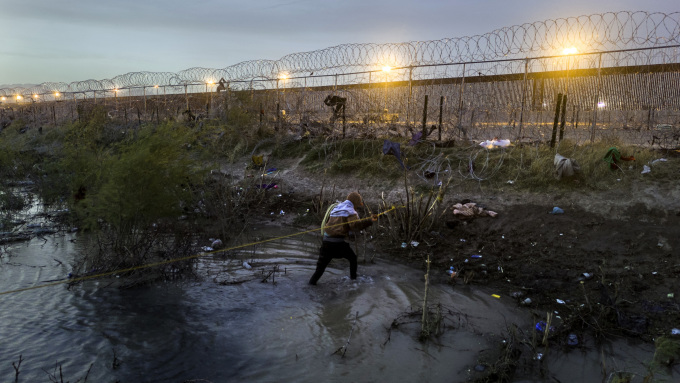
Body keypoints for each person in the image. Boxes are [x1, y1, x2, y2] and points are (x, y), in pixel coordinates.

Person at [309, 192, 377, 285]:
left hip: (326, 243)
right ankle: (353, 281)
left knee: (320, 269)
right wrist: (370, 220)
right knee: (353, 258)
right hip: (337, 244)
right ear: (355, 202)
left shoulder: (337, 208)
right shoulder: (350, 211)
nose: (359, 205)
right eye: (359, 203)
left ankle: (311, 284)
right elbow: (355, 226)